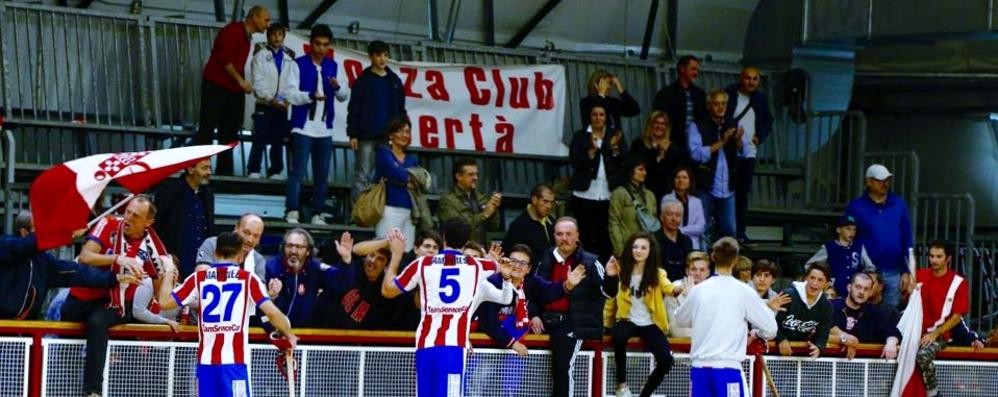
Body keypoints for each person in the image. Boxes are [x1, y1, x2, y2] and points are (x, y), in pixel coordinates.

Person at [380, 221, 514, 397]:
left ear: (443, 238)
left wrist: (396, 255)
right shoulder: (476, 266)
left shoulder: (422, 264)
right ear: (466, 242)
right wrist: (501, 269)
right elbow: (499, 267)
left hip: (426, 346)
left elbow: (387, 291)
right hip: (454, 348)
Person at [156, 232, 297, 397]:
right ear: (240, 255)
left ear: (215, 253)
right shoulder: (248, 279)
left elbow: (164, 302)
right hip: (233, 364)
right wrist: (290, 335)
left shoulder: (198, 278)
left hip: (205, 364)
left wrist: (169, 271)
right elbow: (272, 312)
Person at [67, 196, 165, 397]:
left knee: (97, 322)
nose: (127, 217)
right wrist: (117, 258)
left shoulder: (151, 246)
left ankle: (93, 391)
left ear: (148, 222)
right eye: (127, 211)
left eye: (135, 216)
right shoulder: (109, 223)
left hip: (117, 302)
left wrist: (166, 278)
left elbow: (158, 282)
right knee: (68, 332)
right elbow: (85, 257)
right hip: (81, 298)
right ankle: (59, 384)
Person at [470, 244, 583, 396]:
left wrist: (568, 285)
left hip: (512, 345)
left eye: (522, 263)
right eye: (513, 261)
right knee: (478, 386)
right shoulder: (493, 283)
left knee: (510, 389)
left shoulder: (531, 282)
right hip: (485, 345)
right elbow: (488, 323)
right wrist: (513, 343)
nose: (517, 266)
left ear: (529, 269)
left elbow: (549, 291)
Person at [673, 237, 778, 397]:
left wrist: (690, 297)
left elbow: (680, 320)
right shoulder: (744, 291)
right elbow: (771, 329)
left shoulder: (698, 290)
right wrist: (757, 334)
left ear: (713, 257)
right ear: (735, 261)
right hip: (728, 369)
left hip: (700, 369)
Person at [531, 217, 620, 397]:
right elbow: (532, 293)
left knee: (562, 369)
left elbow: (608, 293)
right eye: (559, 234)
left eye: (569, 234)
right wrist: (534, 315)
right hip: (544, 320)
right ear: (554, 236)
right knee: (533, 368)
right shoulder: (544, 258)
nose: (564, 238)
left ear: (577, 235)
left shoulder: (590, 261)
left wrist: (611, 276)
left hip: (573, 323)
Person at [0, 210, 137, 320]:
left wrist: (115, 278)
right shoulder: (6, 245)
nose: (47, 233)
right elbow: (26, 246)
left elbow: (77, 273)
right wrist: (63, 232)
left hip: (24, 331)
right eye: (43, 230)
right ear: (24, 232)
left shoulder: (44, 262)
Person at [284, 24, 350, 225]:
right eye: (318, 44)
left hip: (324, 129)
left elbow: (344, 95)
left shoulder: (334, 66)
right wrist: (310, 96)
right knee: (298, 172)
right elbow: (290, 94)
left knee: (322, 174)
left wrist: (337, 88)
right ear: (310, 44)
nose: (321, 48)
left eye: (325, 45)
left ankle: (317, 213)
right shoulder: (298, 64)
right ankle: (292, 210)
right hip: (302, 126)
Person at [194, 5, 271, 176]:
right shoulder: (233, 31)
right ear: (254, 17)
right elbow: (225, 60)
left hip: (232, 88)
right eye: (266, 20)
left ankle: (224, 172)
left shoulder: (247, 38)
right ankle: (199, 169)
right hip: (216, 84)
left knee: (229, 132)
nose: (268, 24)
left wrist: (240, 83)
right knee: (207, 127)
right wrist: (241, 81)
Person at [603, 232, 679, 397]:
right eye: (635, 247)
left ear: (650, 251)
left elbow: (668, 287)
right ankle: (622, 385)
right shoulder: (621, 270)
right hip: (627, 319)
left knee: (667, 360)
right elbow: (610, 297)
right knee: (619, 335)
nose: (638, 250)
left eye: (643, 247)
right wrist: (606, 323)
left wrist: (677, 290)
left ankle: (645, 394)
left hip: (650, 322)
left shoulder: (658, 273)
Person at [846, 164, 914, 309]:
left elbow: (907, 237)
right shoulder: (856, 206)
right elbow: (849, 237)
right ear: (868, 181)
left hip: (894, 270)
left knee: (890, 313)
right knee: (864, 312)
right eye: (880, 180)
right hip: (866, 271)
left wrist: (907, 271)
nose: (885, 183)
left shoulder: (899, 204)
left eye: (887, 179)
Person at [347, 39, 406, 199]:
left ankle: (380, 211)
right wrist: (353, 134)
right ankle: (359, 214)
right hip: (366, 135)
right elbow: (354, 108)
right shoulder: (363, 81)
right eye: (378, 55)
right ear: (371, 56)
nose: (382, 59)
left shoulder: (394, 82)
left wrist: (401, 132)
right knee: (363, 174)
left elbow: (401, 110)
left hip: (388, 137)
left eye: (386, 55)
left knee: (386, 174)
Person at [912, 240, 969, 397]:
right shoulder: (920, 275)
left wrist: (935, 333)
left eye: (938, 256)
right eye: (931, 256)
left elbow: (958, 316)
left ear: (948, 258)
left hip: (941, 335)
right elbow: (908, 302)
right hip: (915, 331)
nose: (934, 260)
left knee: (923, 356)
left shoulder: (959, 282)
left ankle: (933, 393)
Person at [264, 229, 355, 327]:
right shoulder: (271, 267)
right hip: (272, 330)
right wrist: (271, 296)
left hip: (304, 333)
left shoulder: (315, 268)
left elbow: (341, 282)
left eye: (299, 247)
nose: (293, 251)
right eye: (289, 246)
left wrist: (346, 259)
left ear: (308, 251)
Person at [569, 105, 626, 260]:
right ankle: (582, 267)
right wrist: (590, 155)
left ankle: (603, 271)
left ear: (606, 117)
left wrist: (614, 147)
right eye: (595, 114)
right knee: (584, 234)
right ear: (590, 117)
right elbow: (574, 162)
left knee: (604, 236)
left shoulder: (614, 136)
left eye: (602, 114)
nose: (598, 118)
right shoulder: (580, 136)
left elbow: (622, 162)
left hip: (607, 193)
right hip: (584, 193)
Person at [725, 67, 773, 243]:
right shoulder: (730, 94)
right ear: (741, 78)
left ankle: (740, 230)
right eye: (748, 78)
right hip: (729, 149)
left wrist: (759, 136)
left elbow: (768, 121)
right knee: (726, 189)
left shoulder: (760, 99)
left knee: (743, 192)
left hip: (749, 151)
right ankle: (726, 228)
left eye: (755, 79)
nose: (751, 82)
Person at [690, 89, 741, 241]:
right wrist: (723, 142)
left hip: (728, 186)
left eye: (723, 103)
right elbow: (696, 154)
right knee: (702, 229)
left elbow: (743, 152)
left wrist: (738, 140)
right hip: (705, 185)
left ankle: (728, 262)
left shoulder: (733, 123)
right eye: (716, 103)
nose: (721, 107)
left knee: (730, 230)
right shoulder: (697, 125)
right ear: (709, 106)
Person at [247, 22, 296, 179]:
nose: (277, 37)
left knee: (278, 138)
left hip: (281, 106)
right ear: (268, 36)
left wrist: (285, 100)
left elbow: (290, 83)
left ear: (284, 37)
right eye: (273, 34)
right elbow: (258, 81)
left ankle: (275, 170)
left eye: (280, 34)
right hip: (264, 103)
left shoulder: (289, 59)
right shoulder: (260, 56)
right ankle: (253, 169)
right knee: (260, 136)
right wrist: (270, 98)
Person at [152, 158, 214, 278]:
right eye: (204, 168)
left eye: (210, 167)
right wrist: (166, 254)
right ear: (190, 169)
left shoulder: (208, 194)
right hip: (175, 260)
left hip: (201, 262)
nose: (209, 172)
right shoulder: (169, 192)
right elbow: (157, 226)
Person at [829, 272, 901, 360]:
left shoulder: (874, 312)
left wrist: (891, 343)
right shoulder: (830, 307)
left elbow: (892, 331)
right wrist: (844, 339)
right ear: (849, 287)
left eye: (866, 289)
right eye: (858, 287)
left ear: (870, 292)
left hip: (861, 367)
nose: (861, 292)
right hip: (827, 363)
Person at [373, 116, 420, 249]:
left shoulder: (412, 159)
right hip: (389, 209)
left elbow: (421, 180)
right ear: (391, 135)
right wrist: (407, 178)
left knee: (407, 251)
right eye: (400, 131)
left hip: (410, 212)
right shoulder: (383, 152)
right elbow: (395, 173)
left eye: (407, 131)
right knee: (385, 250)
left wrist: (403, 176)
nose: (404, 135)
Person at [653, 55, 708, 161]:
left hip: (695, 146)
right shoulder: (666, 94)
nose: (696, 73)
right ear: (682, 68)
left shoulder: (700, 94)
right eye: (693, 69)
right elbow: (658, 119)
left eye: (697, 70)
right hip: (672, 145)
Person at [805, 214, 875, 298]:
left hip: (853, 294)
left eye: (854, 230)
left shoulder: (859, 247)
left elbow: (870, 268)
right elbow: (809, 265)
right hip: (833, 293)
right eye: (848, 229)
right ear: (839, 230)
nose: (852, 232)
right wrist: (824, 280)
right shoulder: (829, 247)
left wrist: (862, 279)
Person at [438, 157, 502, 246]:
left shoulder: (481, 197)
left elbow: (494, 227)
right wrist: (484, 215)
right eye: (471, 174)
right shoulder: (448, 200)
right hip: (460, 251)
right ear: (458, 176)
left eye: (476, 174)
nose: (475, 178)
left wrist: (494, 210)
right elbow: (456, 230)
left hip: (481, 251)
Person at [775, 262, 834, 359]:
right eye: (812, 278)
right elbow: (772, 322)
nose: (814, 283)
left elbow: (823, 334)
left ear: (826, 284)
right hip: (775, 352)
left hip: (801, 356)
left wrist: (818, 347)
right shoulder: (788, 295)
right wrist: (781, 339)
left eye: (820, 280)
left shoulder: (826, 306)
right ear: (806, 278)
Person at [608, 158, 658, 256]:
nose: (644, 172)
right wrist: (620, 251)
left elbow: (653, 225)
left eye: (645, 170)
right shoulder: (619, 193)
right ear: (630, 171)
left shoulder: (650, 195)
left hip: (647, 249)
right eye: (640, 169)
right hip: (628, 248)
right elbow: (614, 224)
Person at [195, 213, 267, 279]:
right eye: (246, 233)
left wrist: (271, 293)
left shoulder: (259, 260)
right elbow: (201, 277)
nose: (250, 240)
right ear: (236, 228)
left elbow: (259, 289)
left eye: (256, 236)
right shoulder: (212, 244)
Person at [629, 111, 682, 200]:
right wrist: (659, 157)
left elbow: (674, 172)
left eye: (663, 124)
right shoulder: (639, 144)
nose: (659, 126)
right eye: (656, 123)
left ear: (667, 127)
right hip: (644, 192)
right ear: (650, 125)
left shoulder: (673, 148)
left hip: (667, 195)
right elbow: (637, 169)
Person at [501, 183, 557, 264]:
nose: (549, 206)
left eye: (551, 202)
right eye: (545, 201)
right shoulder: (519, 225)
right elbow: (509, 253)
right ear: (534, 200)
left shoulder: (552, 222)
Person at [665, 251, 711, 337]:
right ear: (687, 271)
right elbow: (674, 329)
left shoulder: (713, 291)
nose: (697, 273)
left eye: (702, 270)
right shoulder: (674, 289)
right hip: (681, 345)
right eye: (693, 269)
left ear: (708, 272)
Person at [661, 167, 706, 249]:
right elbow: (667, 224)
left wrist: (680, 230)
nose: (681, 180)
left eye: (685, 177)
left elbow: (700, 227)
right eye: (678, 177)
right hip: (671, 242)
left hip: (693, 245)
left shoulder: (697, 202)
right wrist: (690, 230)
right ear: (673, 181)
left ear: (690, 181)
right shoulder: (666, 199)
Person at [655, 199, 693, 280]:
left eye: (678, 215)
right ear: (661, 217)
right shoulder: (652, 240)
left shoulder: (687, 241)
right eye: (669, 214)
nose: (674, 219)